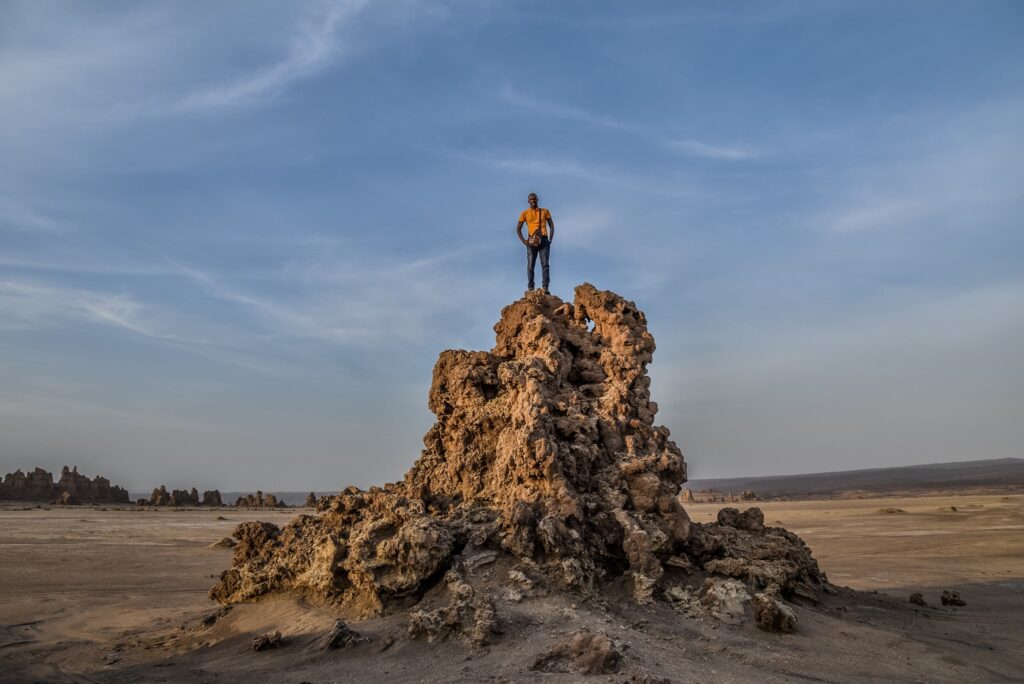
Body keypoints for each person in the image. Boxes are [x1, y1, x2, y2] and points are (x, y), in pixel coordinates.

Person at [516, 193, 555, 294]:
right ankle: (531, 288)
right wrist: (524, 241)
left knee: (545, 264)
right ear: (528, 201)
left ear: (537, 200)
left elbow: (551, 226)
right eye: (531, 199)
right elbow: (518, 229)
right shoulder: (525, 213)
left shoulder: (545, 211)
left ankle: (545, 288)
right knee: (530, 265)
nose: (533, 201)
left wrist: (550, 239)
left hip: (544, 240)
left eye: (534, 199)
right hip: (531, 241)